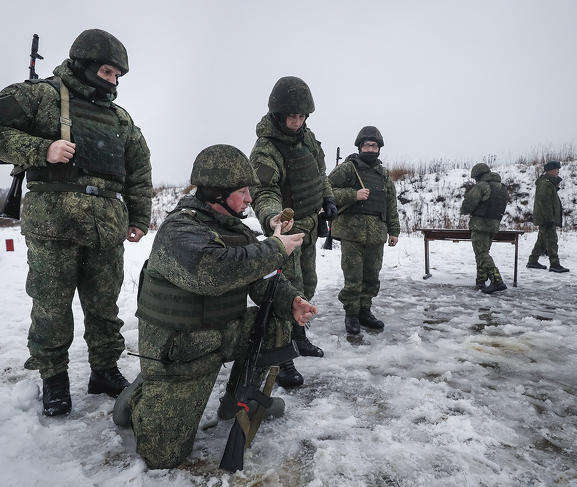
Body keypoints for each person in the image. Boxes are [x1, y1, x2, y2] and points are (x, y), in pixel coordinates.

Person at [0, 29, 153, 416]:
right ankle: (53, 377)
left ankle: (104, 370)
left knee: (104, 306)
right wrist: (41, 149)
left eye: (118, 75)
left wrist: (139, 217)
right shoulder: (42, 95)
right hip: (53, 224)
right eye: (107, 71)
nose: (113, 81)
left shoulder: (120, 118)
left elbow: (138, 171)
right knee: (51, 306)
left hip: (106, 226)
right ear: (85, 65)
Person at [128, 144, 317, 469]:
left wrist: (292, 301)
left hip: (222, 333)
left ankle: (239, 399)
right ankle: (139, 398)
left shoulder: (236, 230)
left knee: (273, 320)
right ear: (216, 193)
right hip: (179, 352)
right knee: (162, 457)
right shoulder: (180, 229)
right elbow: (211, 272)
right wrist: (274, 248)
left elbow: (258, 278)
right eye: (242, 191)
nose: (248, 199)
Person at [248, 76, 336, 387]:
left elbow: (320, 173)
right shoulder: (266, 149)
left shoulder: (307, 138)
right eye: (291, 117)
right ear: (277, 114)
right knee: (286, 291)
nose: (296, 122)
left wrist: (327, 198)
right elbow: (263, 191)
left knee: (307, 283)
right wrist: (274, 219)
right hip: (286, 231)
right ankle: (281, 356)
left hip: (311, 225)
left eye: (301, 117)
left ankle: (299, 334)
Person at [327, 127, 399, 333]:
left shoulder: (383, 174)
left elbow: (390, 204)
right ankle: (351, 314)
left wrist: (394, 231)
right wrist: (353, 194)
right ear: (360, 147)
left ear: (379, 148)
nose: (370, 148)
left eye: (374, 145)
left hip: (377, 232)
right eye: (366, 145)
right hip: (352, 232)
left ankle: (365, 311)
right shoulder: (349, 168)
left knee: (371, 276)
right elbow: (326, 189)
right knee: (353, 276)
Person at [460, 163, 510, 294]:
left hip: (480, 224)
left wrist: (465, 210)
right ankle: (481, 280)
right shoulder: (501, 187)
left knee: (481, 254)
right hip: (494, 225)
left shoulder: (482, 186)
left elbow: (469, 203)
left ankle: (497, 281)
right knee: (482, 253)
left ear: (478, 175)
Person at [526, 161, 569, 273]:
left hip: (546, 217)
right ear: (550, 170)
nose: (558, 171)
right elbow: (544, 202)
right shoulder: (545, 183)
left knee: (541, 241)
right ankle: (555, 264)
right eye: (556, 169)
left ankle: (532, 261)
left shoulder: (548, 183)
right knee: (552, 240)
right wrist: (549, 218)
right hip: (547, 218)